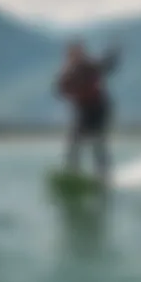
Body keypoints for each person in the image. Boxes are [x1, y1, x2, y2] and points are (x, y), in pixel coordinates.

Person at [55, 38, 121, 184]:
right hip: (84, 110)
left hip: (99, 109)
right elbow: (59, 89)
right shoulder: (67, 73)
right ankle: (72, 173)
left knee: (97, 141)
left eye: (77, 53)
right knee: (74, 142)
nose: (74, 57)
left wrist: (114, 55)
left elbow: (107, 65)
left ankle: (103, 176)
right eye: (71, 54)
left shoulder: (90, 66)